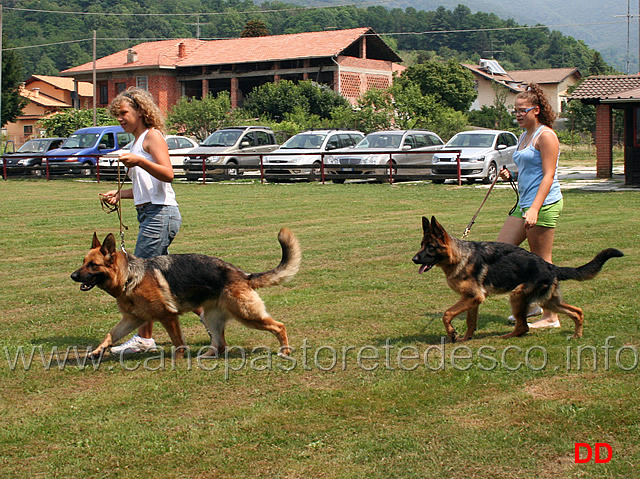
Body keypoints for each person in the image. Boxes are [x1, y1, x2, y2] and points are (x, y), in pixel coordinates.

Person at [101, 87, 182, 354]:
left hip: (160, 214)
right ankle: (207, 317)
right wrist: (120, 194)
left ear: (140, 111)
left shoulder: (152, 136)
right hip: (151, 213)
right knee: (168, 281)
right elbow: (144, 188)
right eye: (117, 115)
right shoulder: (137, 142)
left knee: (139, 279)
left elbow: (168, 174)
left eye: (123, 113)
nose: (120, 119)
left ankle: (144, 340)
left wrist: (138, 161)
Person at [497, 83, 563, 329]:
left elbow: (548, 175)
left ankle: (551, 317)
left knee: (541, 261)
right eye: (515, 110)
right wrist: (509, 175)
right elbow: (527, 169)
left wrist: (535, 208)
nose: (517, 114)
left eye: (522, 110)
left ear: (536, 110)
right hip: (523, 203)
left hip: (543, 203)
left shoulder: (546, 136)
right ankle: (532, 303)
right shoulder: (524, 136)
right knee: (502, 252)